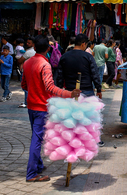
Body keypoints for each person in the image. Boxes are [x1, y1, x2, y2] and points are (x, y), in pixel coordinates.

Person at [21, 35, 81, 182]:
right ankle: (32, 174)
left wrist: (34, 88)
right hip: (41, 108)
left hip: (31, 106)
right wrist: (69, 94)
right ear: (48, 49)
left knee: (36, 136)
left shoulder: (27, 63)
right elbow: (50, 87)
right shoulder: (45, 65)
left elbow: (23, 85)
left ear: (34, 47)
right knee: (37, 139)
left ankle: (38, 165)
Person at [57, 34, 102, 99]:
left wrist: (60, 90)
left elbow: (59, 76)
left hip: (69, 90)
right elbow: (95, 74)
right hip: (86, 91)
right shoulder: (88, 56)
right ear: (83, 44)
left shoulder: (64, 56)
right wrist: (98, 89)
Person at [17, 37, 36, 108]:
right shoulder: (34, 51)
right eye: (27, 43)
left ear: (33, 44)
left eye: (29, 43)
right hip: (33, 71)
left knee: (26, 87)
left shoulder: (29, 52)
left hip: (27, 72)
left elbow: (20, 60)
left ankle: (27, 102)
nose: (27, 44)